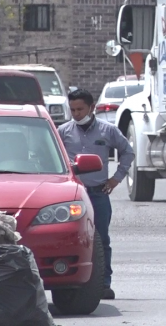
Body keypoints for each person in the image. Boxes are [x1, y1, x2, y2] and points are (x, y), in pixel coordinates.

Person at [58, 88, 134, 301]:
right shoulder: (63, 131)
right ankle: (69, 281)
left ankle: (103, 283)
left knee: (100, 239)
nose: (76, 114)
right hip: (72, 194)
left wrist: (116, 178)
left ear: (92, 108)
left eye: (80, 109)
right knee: (70, 238)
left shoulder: (108, 131)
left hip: (98, 193)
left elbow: (128, 151)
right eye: (72, 110)